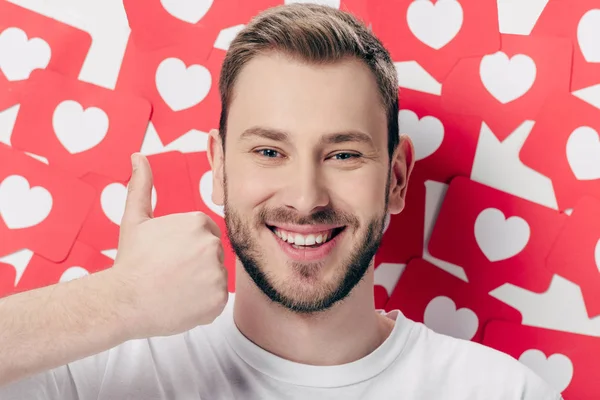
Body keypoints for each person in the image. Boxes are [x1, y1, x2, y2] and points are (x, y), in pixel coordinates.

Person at [0, 4, 562, 399]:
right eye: (269, 151)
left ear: (396, 178)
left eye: (343, 155)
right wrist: (117, 301)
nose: (305, 198)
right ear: (218, 169)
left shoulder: (500, 392)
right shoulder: (97, 373)